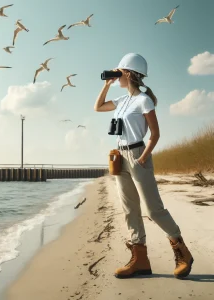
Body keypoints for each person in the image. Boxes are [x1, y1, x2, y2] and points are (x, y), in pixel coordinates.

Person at [94, 53, 194, 279]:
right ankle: (140, 259)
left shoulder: (143, 100)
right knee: (129, 209)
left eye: (119, 71)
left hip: (138, 155)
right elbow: (98, 107)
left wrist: (143, 157)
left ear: (128, 73)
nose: (116, 74)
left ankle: (182, 252)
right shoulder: (122, 100)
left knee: (153, 209)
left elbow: (155, 133)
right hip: (119, 156)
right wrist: (107, 85)